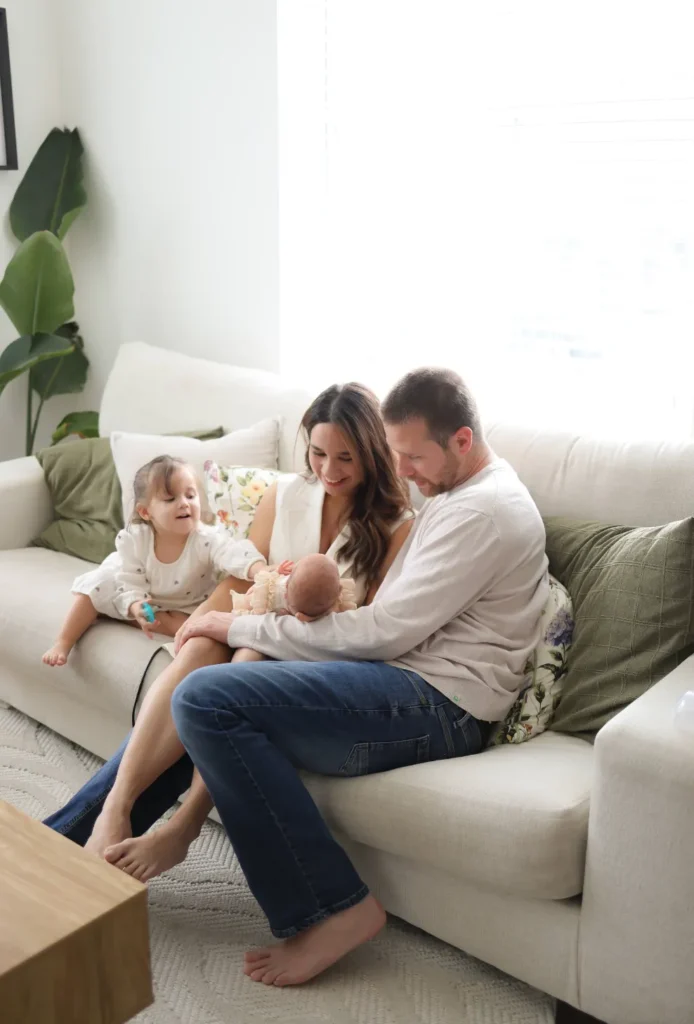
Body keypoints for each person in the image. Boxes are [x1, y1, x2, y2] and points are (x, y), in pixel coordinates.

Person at [47, 367, 548, 988]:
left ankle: (336, 906)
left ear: (463, 441)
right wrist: (228, 622)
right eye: (397, 455)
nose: (406, 472)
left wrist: (238, 629)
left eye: (413, 457)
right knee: (210, 699)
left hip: (438, 704)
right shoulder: (455, 494)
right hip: (399, 680)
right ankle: (58, 848)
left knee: (209, 698)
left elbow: (381, 631)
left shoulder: (481, 512)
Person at [44, 381, 414, 884]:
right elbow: (242, 575)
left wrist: (280, 623)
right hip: (251, 617)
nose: (329, 471)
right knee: (199, 654)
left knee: (242, 672)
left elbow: (368, 622)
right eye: (319, 453)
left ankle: (183, 824)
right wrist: (200, 626)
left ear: (373, 452)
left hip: (315, 653)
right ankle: (116, 807)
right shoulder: (284, 493)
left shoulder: (397, 523)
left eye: (346, 457)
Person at [42, 455, 267, 666]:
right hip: (135, 591)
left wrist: (259, 570)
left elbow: (233, 553)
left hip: (186, 603)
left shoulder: (206, 538)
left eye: (190, 495)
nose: (184, 503)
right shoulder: (135, 539)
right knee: (97, 586)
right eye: (170, 498)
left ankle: (124, 617)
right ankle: (63, 642)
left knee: (198, 628)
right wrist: (136, 604)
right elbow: (129, 579)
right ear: (146, 512)